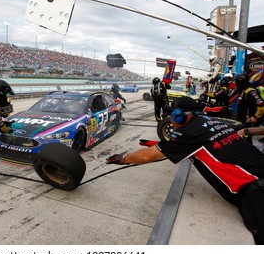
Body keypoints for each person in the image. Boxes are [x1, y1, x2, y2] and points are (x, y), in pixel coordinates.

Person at [106, 96, 264, 244]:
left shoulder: (188, 133)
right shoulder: (210, 122)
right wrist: (161, 145)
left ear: (180, 116)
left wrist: (123, 159)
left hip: (257, 195)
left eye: (173, 116)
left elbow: (147, 156)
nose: (172, 121)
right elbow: (199, 145)